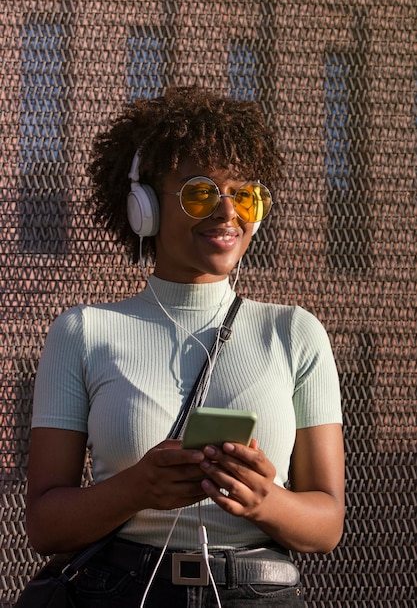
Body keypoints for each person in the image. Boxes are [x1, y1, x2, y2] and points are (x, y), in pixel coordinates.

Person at [26, 85, 345, 608]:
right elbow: (44, 523)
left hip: (259, 593)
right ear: (144, 207)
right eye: (200, 192)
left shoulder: (295, 333)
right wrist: (137, 490)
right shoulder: (83, 331)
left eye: (244, 195)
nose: (228, 213)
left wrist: (265, 501)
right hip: (120, 591)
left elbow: (326, 525)